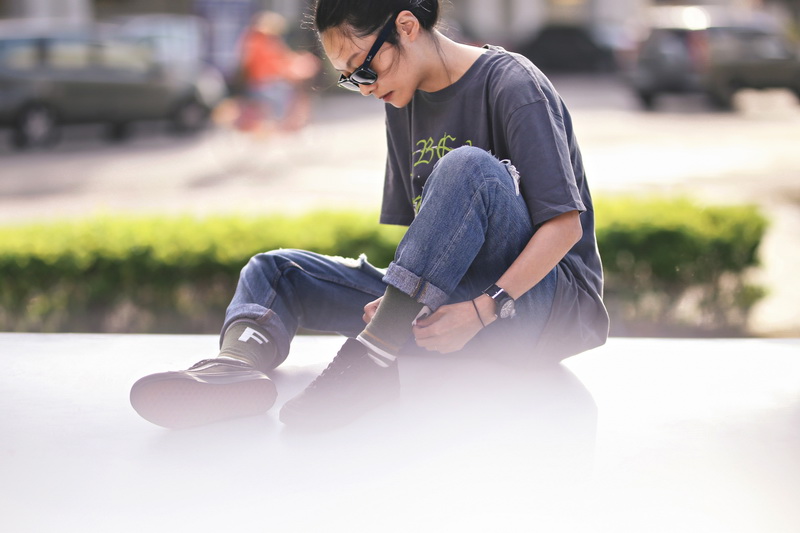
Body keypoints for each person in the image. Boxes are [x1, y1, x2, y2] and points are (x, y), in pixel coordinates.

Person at [130, 0, 609, 431]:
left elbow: (564, 226)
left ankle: (372, 360)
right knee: (276, 270)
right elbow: (427, 238)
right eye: (348, 77)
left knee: (469, 168)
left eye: (363, 68)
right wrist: (401, 303)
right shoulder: (401, 100)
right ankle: (233, 369)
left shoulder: (513, 84)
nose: (363, 88)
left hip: (537, 310)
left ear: (406, 26)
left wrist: (482, 310)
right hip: (451, 317)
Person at [228, 11, 320, 134]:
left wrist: (300, 61)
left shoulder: (265, 40)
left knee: (299, 90)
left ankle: (290, 124)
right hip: (263, 84)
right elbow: (274, 65)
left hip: (266, 82)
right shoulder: (259, 41)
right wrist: (295, 67)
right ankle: (286, 124)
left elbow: (283, 58)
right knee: (293, 93)